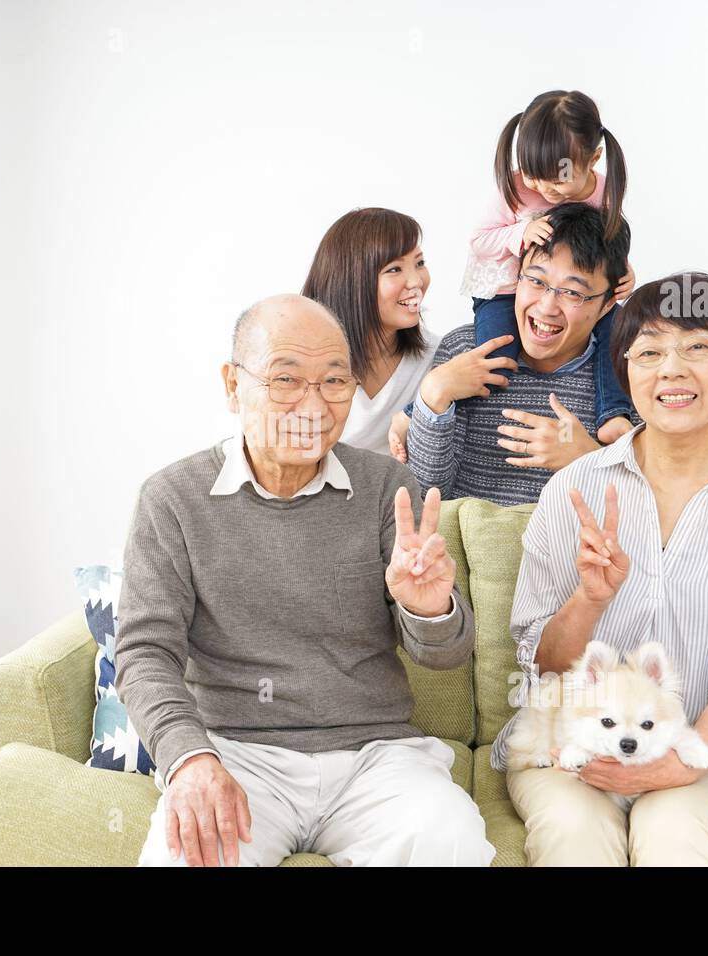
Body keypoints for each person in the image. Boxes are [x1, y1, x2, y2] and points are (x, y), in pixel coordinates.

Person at [115, 292, 495, 867]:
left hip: (376, 757)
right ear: (232, 383)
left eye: (335, 382)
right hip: (237, 755)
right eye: (286, 379)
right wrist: (189, 760)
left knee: (451, 839)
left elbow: (444, 655)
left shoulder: (385, 487)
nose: (314, 406)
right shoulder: (173, 498)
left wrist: (428, 610)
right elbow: (144, 653)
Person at [491, 272, 708, 865]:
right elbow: (540, 660)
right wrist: (590, 600)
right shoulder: (574, 489)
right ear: (627, 373)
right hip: (571, 743)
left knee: (671, 827)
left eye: (697, 346)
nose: (671, 370)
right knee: (574, 832)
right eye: (648, 352)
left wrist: (674, 765)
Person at [405, 202, 638, 505]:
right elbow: (424, 501)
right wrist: (433, 396)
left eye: (573, 292)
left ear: (607, 305)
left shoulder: (630, 373)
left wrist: (588, 460)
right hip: (462, 548)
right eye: (537, 281)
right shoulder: (466, 352)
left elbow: (646, 515)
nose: (546, 307)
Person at [302, 207, 441, 455]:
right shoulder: (303, 368)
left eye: (419, 263)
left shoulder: (437, 359)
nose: (416, 281)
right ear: (352, 281)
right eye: (395, 269)